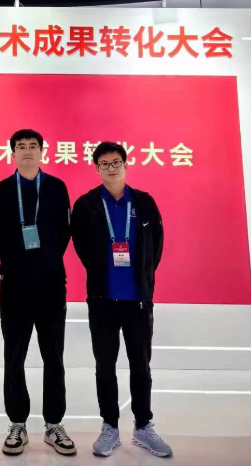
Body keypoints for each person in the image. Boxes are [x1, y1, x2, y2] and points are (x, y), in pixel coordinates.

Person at [70, 141, 172, 459]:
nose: (111, 168)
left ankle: (143, 427)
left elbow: (156, 245)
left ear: (126, 165)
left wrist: (143, 277)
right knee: (105, 366)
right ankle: (110, 426)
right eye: (104, 164)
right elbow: (82, 247)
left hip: (138, 300)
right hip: (102, 300)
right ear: (97, 168)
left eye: (116, 162)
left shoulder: (143, 202)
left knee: (141, 365)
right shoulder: (86, 204)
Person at [0, 129, 76, 457]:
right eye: (21, 147)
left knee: (53, 356)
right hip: (14, 285)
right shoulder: (1, 190)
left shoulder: (56, 188)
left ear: (42, 152)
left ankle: (54, 424)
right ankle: (17, 424)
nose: (27, 151)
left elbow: (65, 232)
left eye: (33, 146)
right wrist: (20, 263)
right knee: (14, 356)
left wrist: (45, 261)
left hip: (50, 285)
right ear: (12, 153)